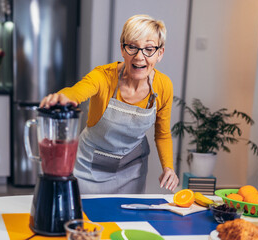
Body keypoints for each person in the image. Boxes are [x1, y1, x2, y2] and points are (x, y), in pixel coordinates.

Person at [40, 14, 179, 194]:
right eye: (132, 47)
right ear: (122, 48)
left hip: (132, 171)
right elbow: (76, 92)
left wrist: (168, 167)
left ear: (160, 53)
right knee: (83, 219)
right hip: (89, 169)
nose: (139, 56)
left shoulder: (163, 85)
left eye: (149, 49)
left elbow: (162, 134)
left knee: (126, 220)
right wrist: (61, 98)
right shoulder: (103, 76)